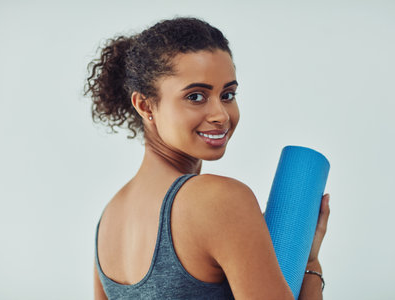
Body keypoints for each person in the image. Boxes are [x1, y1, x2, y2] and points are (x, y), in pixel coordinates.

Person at [84, 17, 330, 300]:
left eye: (227, 94)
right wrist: (310, 265)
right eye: (196, 96)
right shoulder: (220, 199)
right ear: (145, 104)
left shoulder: (108, 219)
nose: (221, 115)